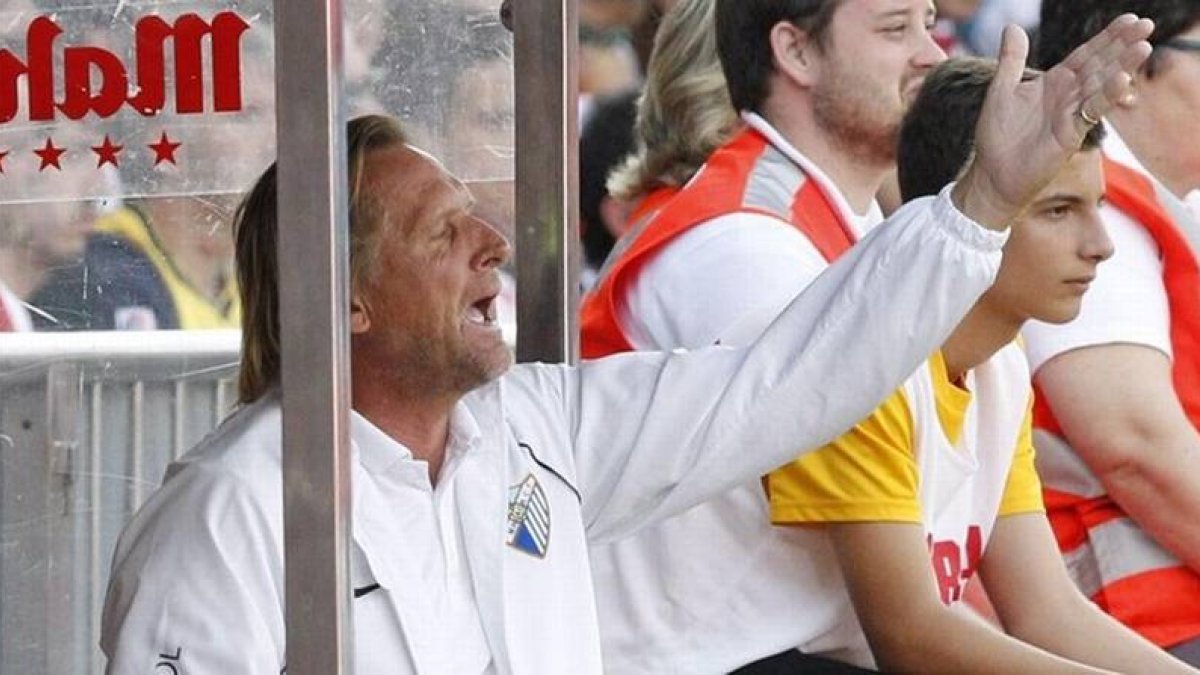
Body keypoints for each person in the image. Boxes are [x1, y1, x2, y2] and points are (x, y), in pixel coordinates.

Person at [101, 14, 1153, 671]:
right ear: (351, 305)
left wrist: (982, 204)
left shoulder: (538, 426)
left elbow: (783, 384)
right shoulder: (233, 511)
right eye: (440, 231)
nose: (491, 245)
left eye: (478, 214)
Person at [759, 56, 1195, 674]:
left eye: (1097, 205)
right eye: (1058, 210)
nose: (1100, 244)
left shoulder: (1000, 363)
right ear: (972, 206)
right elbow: (910, 637)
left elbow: (1046, 611)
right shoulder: (868, 355)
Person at [580, 0, 936, 668]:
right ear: (790, 55)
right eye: (896, 28)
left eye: (928, 21)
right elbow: (909, 623)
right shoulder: (745, 244)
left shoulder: (829, 221)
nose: (934, 56)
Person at [1020, 0, 1200, 662]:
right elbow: (1134, 445)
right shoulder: (1091, 208)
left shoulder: (1157, 196)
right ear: (1126, 71)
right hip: (1145, 620)